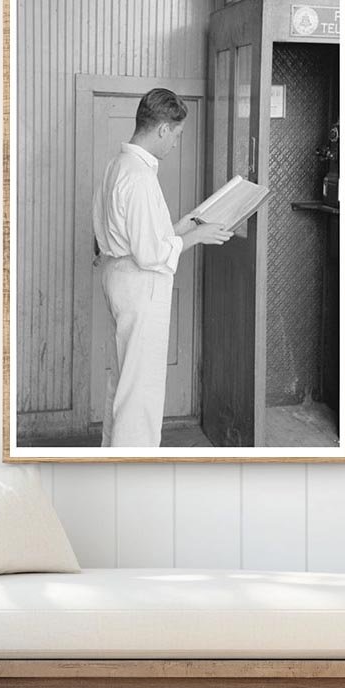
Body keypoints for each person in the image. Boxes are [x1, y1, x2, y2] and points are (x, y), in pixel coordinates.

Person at [93, 88, 232, 447]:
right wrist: (198, 238)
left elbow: (138, 236)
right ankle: (133, 474)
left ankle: (112, 458)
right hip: (140, 285)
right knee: (140, 393)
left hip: (118, 276)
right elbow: (151, 254)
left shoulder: (118, 165)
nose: (175, 144)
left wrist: (185, 224)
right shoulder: (139, 175)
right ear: (162, 130)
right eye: (177, 134)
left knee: (124, 382)